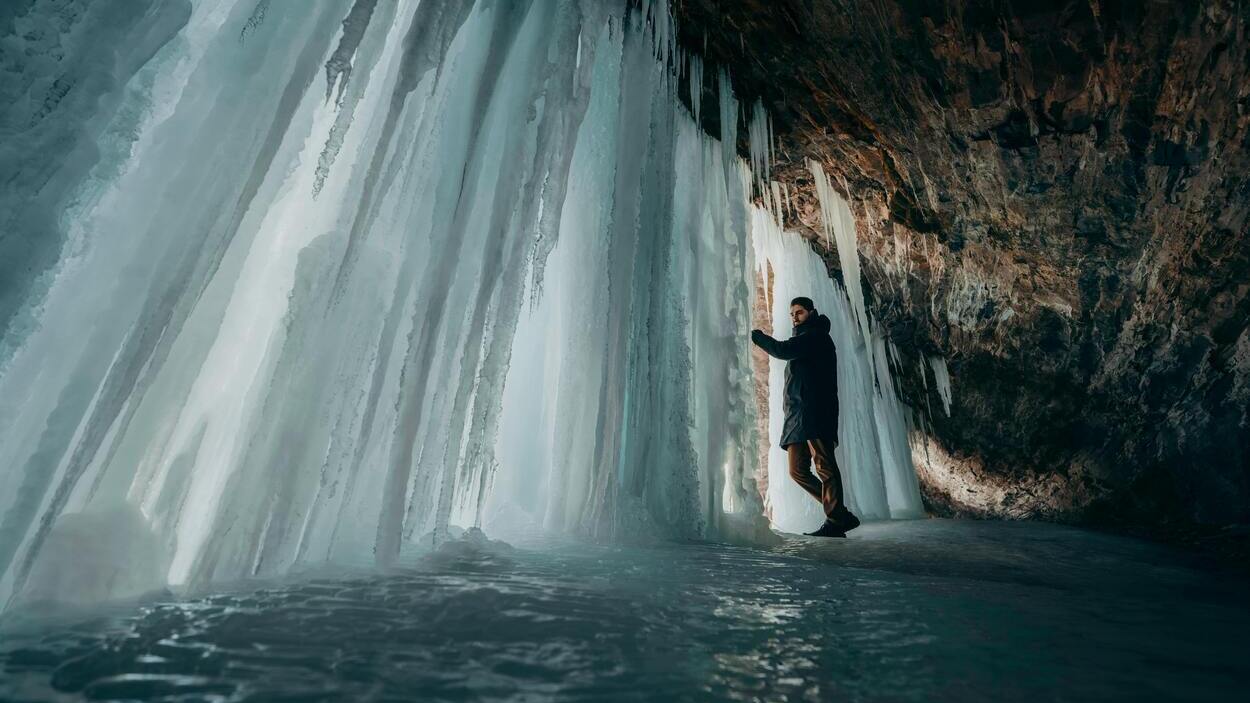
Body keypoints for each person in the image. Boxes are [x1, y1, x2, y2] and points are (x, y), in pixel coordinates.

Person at [751, 296, 860, 537]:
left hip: (815, 411)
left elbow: (782, 350)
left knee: (825, 466)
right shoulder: (804, 338)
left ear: (811, 312)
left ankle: (834, 521)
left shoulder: (816, 336)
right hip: (798, 415)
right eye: (792, 314)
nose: (795, 317)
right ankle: (839, 513)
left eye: (799, 312)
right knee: (797, 470)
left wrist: (757, 336)